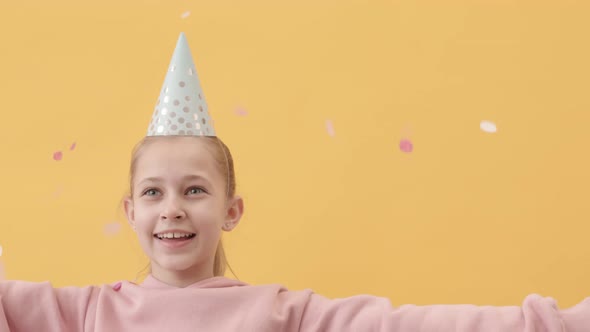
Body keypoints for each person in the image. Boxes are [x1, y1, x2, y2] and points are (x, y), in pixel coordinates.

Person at [0, 32, 589, 332]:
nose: (172, 208)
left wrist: (558, 322)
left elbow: (403, 324)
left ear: (232, 210)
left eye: (195, 190)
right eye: (154, 192)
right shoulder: (85, 314)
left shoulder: (281, 313)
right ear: (130, 211)